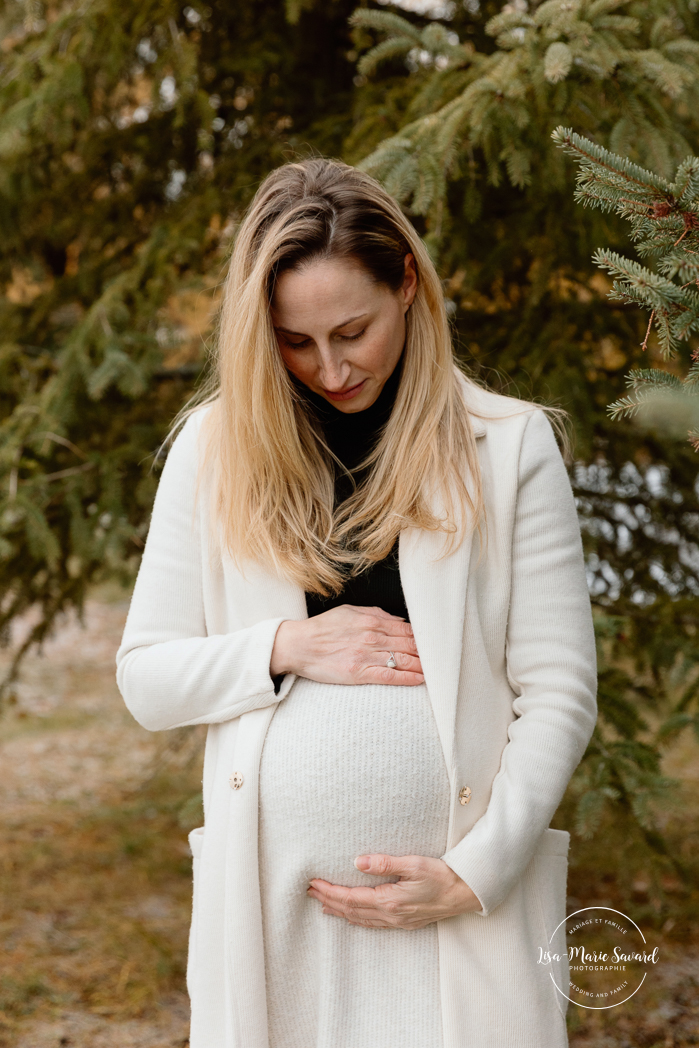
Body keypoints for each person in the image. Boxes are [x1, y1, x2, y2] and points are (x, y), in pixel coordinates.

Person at [116, 158, 597, 1048]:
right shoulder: (214, 449)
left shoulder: (507, 446)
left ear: (406, 284)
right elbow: (147, 679)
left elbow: (558, 690)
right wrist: (285, 647)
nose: (331, 367)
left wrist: (474, 872)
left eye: (353, 330)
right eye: (295, 342)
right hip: (273, 907)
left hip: (456, 905)